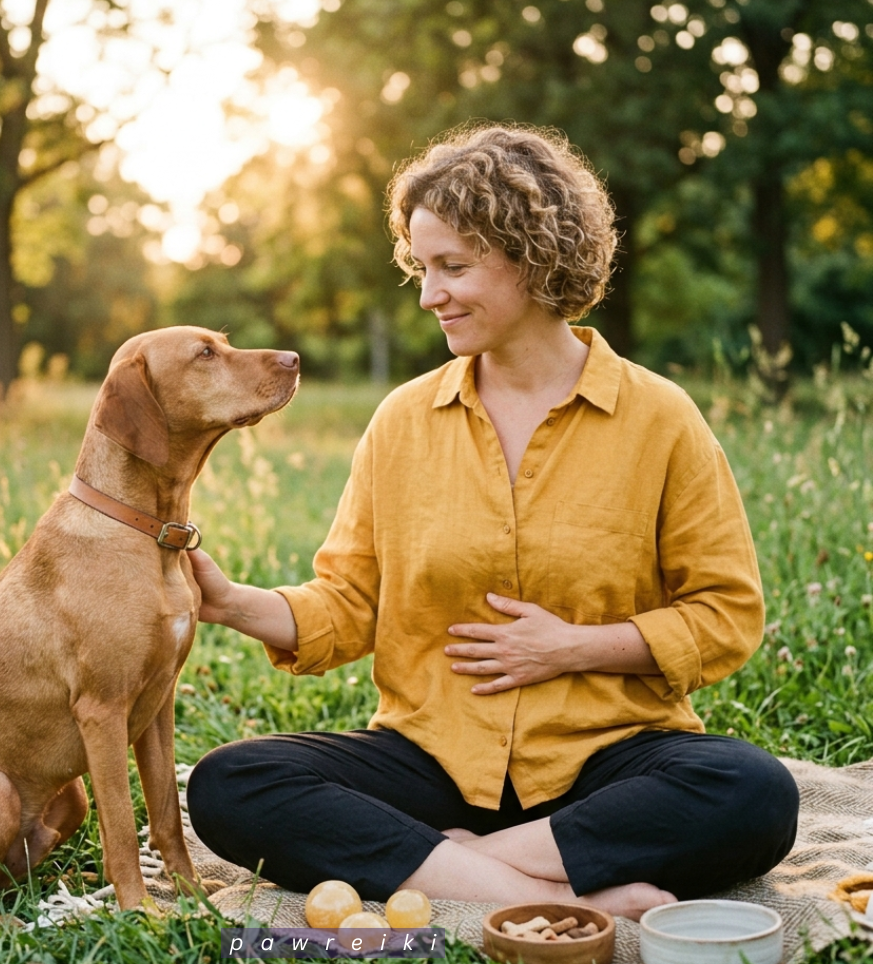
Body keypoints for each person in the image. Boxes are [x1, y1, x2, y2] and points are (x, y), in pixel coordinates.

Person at [185, 123, 799, 920]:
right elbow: (349, 603)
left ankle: (451, 865)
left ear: (532, 256)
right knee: (234, 783)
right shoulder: (404, 420)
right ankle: (565, 891)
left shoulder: (660, 419)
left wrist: (571, 648)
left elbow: (727, 615)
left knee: (754, 791)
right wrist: (232, 601)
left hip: (608, 760)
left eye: (454, 266)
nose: (430, 293)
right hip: (435, 758)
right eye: (422, 267)